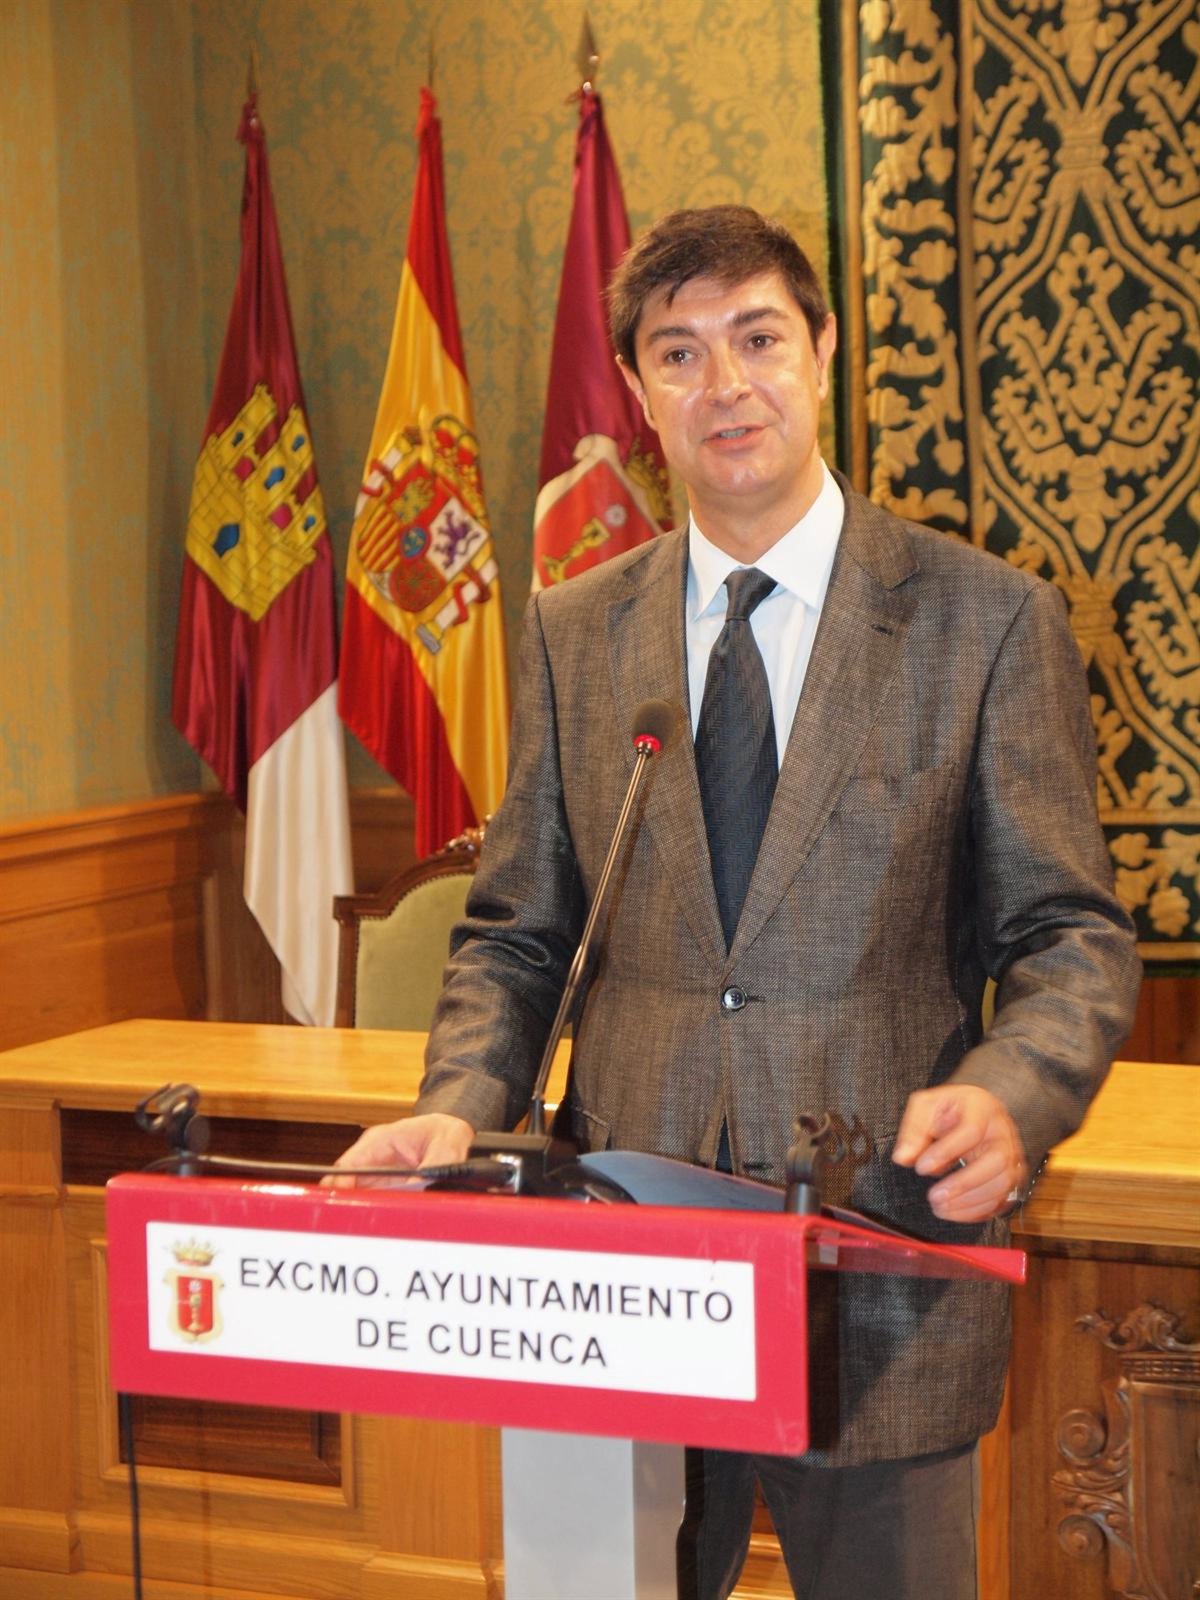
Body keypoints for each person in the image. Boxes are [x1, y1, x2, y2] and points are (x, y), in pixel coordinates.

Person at [333, 206, 1141, 1598]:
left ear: (820, 351)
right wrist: (459, 1103)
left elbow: (1067, 934)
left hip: (881, 1249)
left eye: (758, 339)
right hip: (624, 1268)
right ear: (639, 391)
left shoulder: (986, 619)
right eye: (680, 353)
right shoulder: (574, 630)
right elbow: (519, 932)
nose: (726, 385)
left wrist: (1015, 1094)